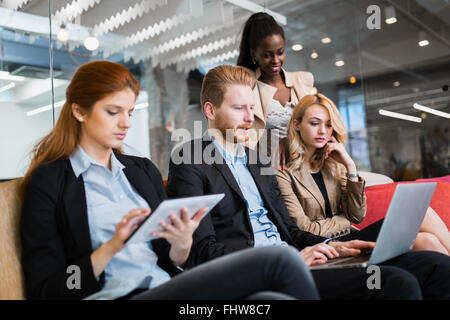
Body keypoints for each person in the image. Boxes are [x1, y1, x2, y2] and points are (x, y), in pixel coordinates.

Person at [19, 60, 322, 300]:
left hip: (170, 288)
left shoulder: (141, 171)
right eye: (113, 112)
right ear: (79, 112)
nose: (126, 123)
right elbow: (48, 289)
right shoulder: (50, 182)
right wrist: (110, 248)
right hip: (120, 294)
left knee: (273, 299)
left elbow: (174, 259)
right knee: (281, 262)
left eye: (130, 112)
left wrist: (181, 242)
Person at [167, 64, 450, 300]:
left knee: (435, 265)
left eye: (251, 108)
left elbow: (290, 229)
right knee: (398, 283)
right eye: (239, 108)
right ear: (209, 110)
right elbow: (202, 249)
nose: (248, 117)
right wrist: (284, 260)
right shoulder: (190, 160)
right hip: (262, 269)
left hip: (298, 255)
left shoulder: (257, 160)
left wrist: (330, 245)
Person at [275, 93, 450, 256]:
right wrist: (344, 221)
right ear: (297, 125)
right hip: (327, 246)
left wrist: (350, 166)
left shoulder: (335, 166)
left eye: (328, 124)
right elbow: (304, 229)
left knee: (428, 239)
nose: (323, 131)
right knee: (421, 221)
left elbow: (357, 215)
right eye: (315, 123)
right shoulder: (284, 173)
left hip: (352, 236)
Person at [237, 12, 314, 168]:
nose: (276, 60)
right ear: (254, 54)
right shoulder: (246, 88)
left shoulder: (303, 82)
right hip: (266, 171)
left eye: (280, 52)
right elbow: (240, 137)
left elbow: (316, 127)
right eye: (267, 55)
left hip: (304, 168)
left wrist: (288, 140)